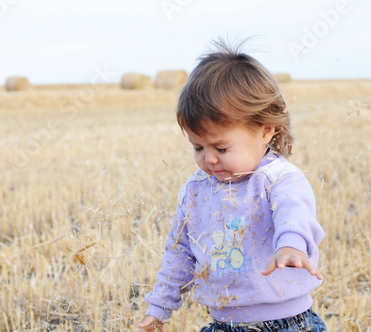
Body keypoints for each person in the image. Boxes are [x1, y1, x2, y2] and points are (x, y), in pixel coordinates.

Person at [137, 38, 327, 332]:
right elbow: (179, 252)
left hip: (289, 324)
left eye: (221, 149)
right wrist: (159, 307)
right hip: (222, 324)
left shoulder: (278, 178)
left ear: (265, 131)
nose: (209, 159)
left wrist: (291, 245)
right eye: (197, 147)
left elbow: (294, 211)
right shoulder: (196, 189)